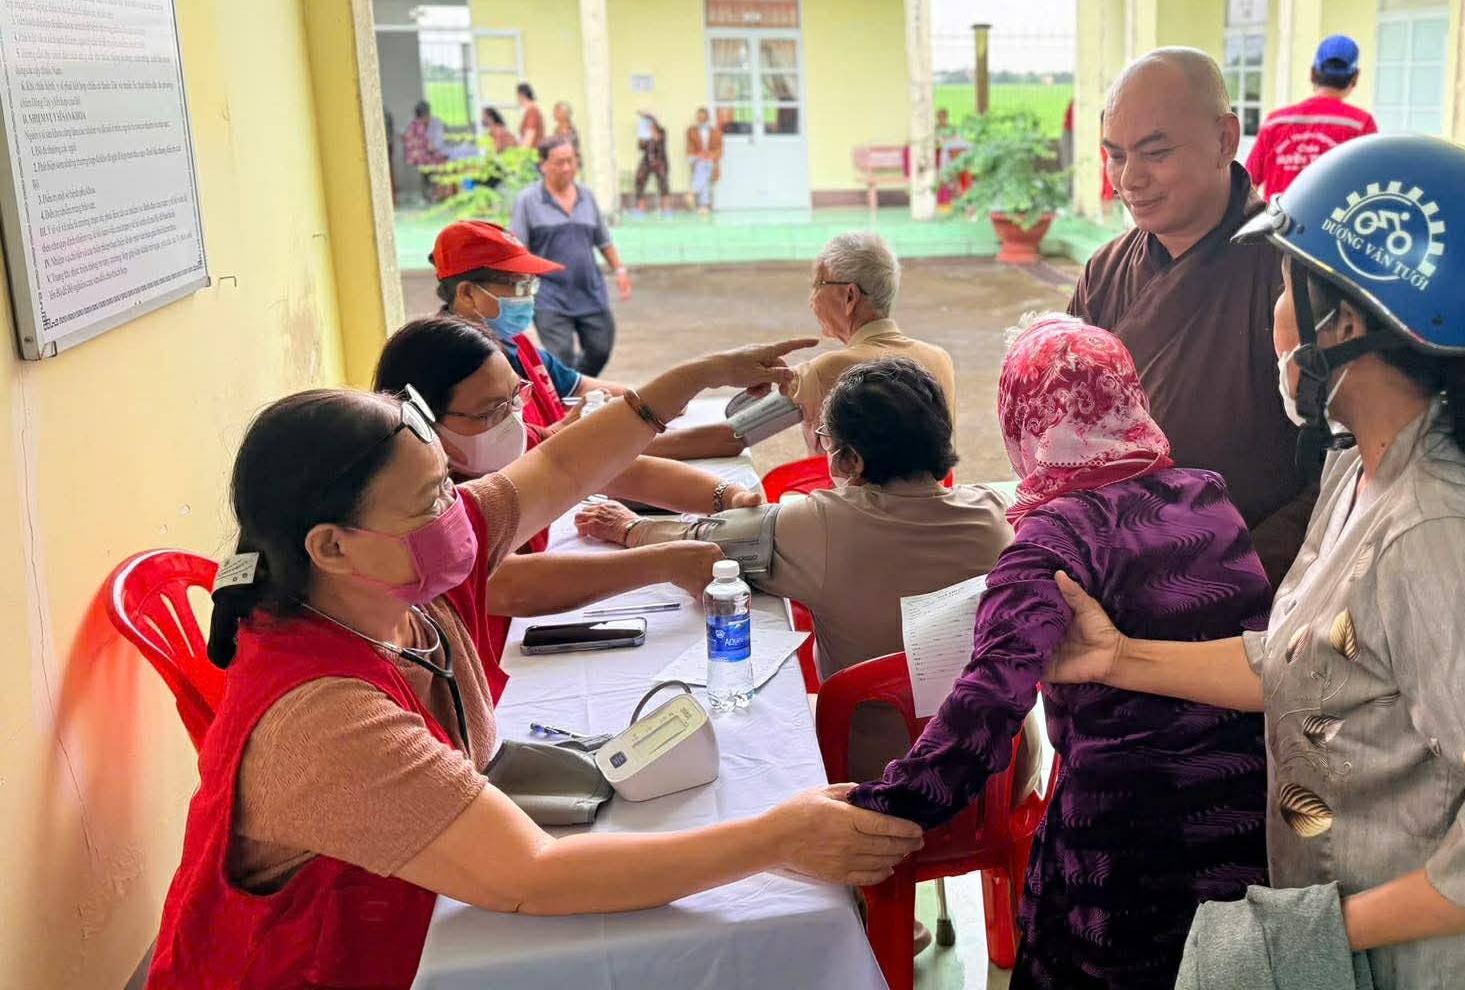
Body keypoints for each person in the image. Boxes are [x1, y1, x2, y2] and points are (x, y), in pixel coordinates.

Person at [146, 338, 924, 988]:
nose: (460, 512)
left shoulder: (389, 583)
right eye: (430, 503)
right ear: (331, 546)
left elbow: (555, 473)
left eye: (448, 488)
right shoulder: (326, 718)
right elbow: (531, 876)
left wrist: (693, 376)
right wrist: (775, 839)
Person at [1050, 135, 1465, 989]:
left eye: (1284, 287)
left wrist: (1299, 936)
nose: (1272, 316)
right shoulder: (1362, 466)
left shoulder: (1438, 538)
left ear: (1348, 323)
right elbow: (1314, 664)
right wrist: (1118, 658)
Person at [848, 314, 1271, 990]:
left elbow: (987, 706)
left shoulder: (1051, 541)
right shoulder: (1205, 496)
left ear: (1023, 418)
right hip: (1247, 814)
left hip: (1127, 842)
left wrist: (881, 810)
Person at [579, 357, 1011, 781]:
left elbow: (700, 543)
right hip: (998, 773)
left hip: (876, 776)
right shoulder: (994, 514)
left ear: (852, 460)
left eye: (827, 441)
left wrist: (629, 528)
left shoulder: (822, 525)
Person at [373, 315, 760, 689]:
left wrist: (726, 497)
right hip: (473, 676)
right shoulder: (420, 504)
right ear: (423, 419)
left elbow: (621, 469)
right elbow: (509, 585)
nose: (510, 421)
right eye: (489, 412)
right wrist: (663, 563)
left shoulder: (514, 443)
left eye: (515, 397)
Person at [1071, 47, 1313, 583]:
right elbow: (1062, 431)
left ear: (1225, 139)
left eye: (1155, 153)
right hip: (1112, 568)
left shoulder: (1293, 274)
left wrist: (1233, 576)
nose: (1129, 179)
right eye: (1115, 155)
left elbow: (1342, 463)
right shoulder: (1105, 271)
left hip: (1252, 584)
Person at [430, 220, 748, 462]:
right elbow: (525, 454)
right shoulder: (459, 363)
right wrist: (666, 427)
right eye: (518, 287)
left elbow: (579, 386)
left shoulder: (516, 344)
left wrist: (658, 399)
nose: (527, 298)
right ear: (468, 293)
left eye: (530, 286)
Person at [792, 230, 955, 455]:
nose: (812, 299)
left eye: (819, 284)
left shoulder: (824, 370)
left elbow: (744, 427)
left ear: (850, 296)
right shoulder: (940, 358)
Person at [511, 136, 629, 377]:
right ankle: (571, 390)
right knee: (561, 355)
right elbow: (518, 248)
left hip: (590, 292)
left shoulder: (587, 196)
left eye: (571, 161)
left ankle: (574, 385)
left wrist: (619, 270)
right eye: (559, 162)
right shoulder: (529, 200)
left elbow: (603, 240)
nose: (567, 168)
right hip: (549, 296)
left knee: (600, 348)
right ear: (543, 165)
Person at [1243, 34, 1377, 200]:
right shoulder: (1361, 124)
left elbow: (1247, 187)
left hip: (1278, 216)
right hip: (1333, 217)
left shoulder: (1275, 122)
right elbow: (1372, 186)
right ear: (1355, 77)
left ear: (1313, 73)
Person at [402, 100, 449, 200]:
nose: (422, 121)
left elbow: (439, 141)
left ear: (428, 114)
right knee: (425, 171)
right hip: (423, 156)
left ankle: (438, 194)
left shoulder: (437, 123)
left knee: (436, 171)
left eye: (424, 117)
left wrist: (432, 146)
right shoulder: (415, 124)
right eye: (420, 119)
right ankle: (428, 195)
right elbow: (409, 139)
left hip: (436, 154)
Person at [685, 106, 721, 214]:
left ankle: (693, 192)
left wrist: (711, 155)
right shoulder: (691, 130)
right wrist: (699, 155)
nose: (701, 120)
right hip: (697, 157)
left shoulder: (715, 131)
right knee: (703, 168)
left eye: (703, 118)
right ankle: (704, 205)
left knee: (705, 167)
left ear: (707, 118)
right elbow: (690, 146)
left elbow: (719, 148)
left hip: (710, 158)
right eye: (699, 118)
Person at [634, 111, 669, 210]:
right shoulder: (643, 133)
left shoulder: (661, 131)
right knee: (639, 178)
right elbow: (641, 147)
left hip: (660, 160)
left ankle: (666, 206)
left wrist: (653, 130)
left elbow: (658, 139)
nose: (647, 123)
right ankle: (641, 205)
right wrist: (643, 139)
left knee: (663, 182)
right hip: (647, 160)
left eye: (648, 121)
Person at [515, 82, 544, 149]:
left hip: (531, 152)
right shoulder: (532, 111)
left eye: (517, 96)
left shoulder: (532, 112)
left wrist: (519, 153)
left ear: (522, 96)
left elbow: (529, 138)